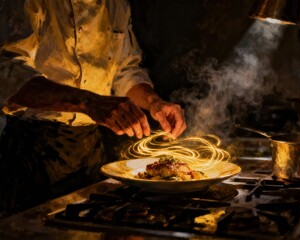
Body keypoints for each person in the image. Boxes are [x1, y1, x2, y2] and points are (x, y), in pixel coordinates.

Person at [0, 0, 186, 217]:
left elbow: (125, 71)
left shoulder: (116, 5)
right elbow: (8, 72)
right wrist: (88, 102)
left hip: (90, 151)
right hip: (34, 152)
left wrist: (154, 102)